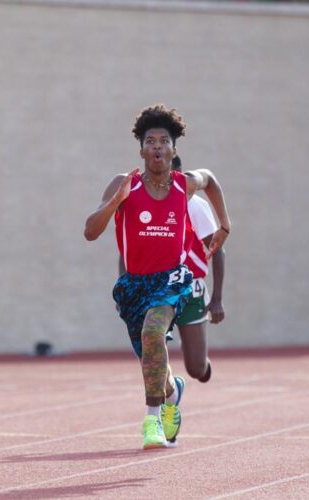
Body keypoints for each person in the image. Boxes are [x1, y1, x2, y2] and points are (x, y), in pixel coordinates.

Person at [84, 104, 231, 450]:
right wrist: (113, 204)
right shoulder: (125, 184)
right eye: (150, 141)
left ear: (173, 149)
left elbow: (210, 178)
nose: (157, 146)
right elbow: (90, 232)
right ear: (141, 149)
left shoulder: (184, 185)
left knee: (153, 331)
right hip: (135, 285)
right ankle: (171, 391)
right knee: (152, 356)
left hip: (173, 280)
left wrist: (225, 223)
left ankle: (152, 420)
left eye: (164, 140)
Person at [171, 155, 225, 384]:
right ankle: (163, 402)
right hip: (157, 289)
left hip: (191, 290)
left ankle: (196, 349)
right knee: (152, 355)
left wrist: (217, 298)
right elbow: (129, 249)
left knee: (196, 369)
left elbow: (217, 249)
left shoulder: (194, 205)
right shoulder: (146, 200)